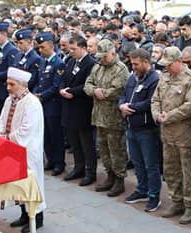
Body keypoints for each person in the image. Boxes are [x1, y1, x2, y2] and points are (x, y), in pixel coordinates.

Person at [151, 46, 191, 223]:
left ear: (179, 62)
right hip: (167, 133)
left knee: (188, 173)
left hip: (184, 134)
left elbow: (190, 106)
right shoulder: (164, 77)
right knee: (170, 170)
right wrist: (157, 115)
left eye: (169, 64)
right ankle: (176, 201)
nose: (166, 68)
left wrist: (169, 116)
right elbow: (155, 99)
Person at [0, 67, 46, 233]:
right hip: (11, 148)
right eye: (7, 83)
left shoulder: (32, 103)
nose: (8, 87)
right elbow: (1, 120)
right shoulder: (9, 100)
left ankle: (37, 218)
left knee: (32, 183)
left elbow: (27, 129)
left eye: (12, 84)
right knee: (17, 183)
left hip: (28, 149)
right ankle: (24, 214)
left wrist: (7, 139)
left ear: (23, 85)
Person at [84, 39, 130, 197]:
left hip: (113, 118)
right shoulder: (98, 67)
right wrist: (95, 90)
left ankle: (119, 179)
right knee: (103, 149)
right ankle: (109, 175)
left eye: (105, 56)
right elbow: (87, 84)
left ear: (113, 53)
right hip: (99, 116)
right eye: (100, 56)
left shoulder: (120, 69)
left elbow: (117, 90)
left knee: (116, 149)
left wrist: (101, 93)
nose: (102, 59)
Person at [119, 48, 162, 212]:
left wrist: (130, 107)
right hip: (131, 126)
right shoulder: (132, 77)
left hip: (147, 129)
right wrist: (122, 105)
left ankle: (154, 195)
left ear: (146, 62)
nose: (133, 66)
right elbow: (124, 95)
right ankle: (142, 190)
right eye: (132, 63)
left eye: (136, 64)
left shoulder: (155, 79)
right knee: (137, 162)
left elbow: (151, 103)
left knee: (151, 164)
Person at [60, 35, 97, 185]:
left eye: (74, 49)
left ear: (83, 48)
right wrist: (62, 89)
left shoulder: (91, 64)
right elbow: (63, 78)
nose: (71, 52)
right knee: (75, 142)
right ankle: (78, 167)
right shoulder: (70, 61)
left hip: (82, 107)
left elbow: (88, 85)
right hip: (70, 107)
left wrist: (72, 91)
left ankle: (90, 171)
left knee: (86, 143)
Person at [34, 32, 66, 174]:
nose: (40, 50)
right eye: (39, 48)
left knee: (55, 135)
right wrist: (35, 92)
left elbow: (56, 86)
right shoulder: (42, 61)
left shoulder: (58, 63)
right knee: (45, 133)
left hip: (53, 104)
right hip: (42, 103)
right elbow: (39, 81)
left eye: (43, 47)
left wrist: (41, 96)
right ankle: (50, 159)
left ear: (51, 46)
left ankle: (59, 162)